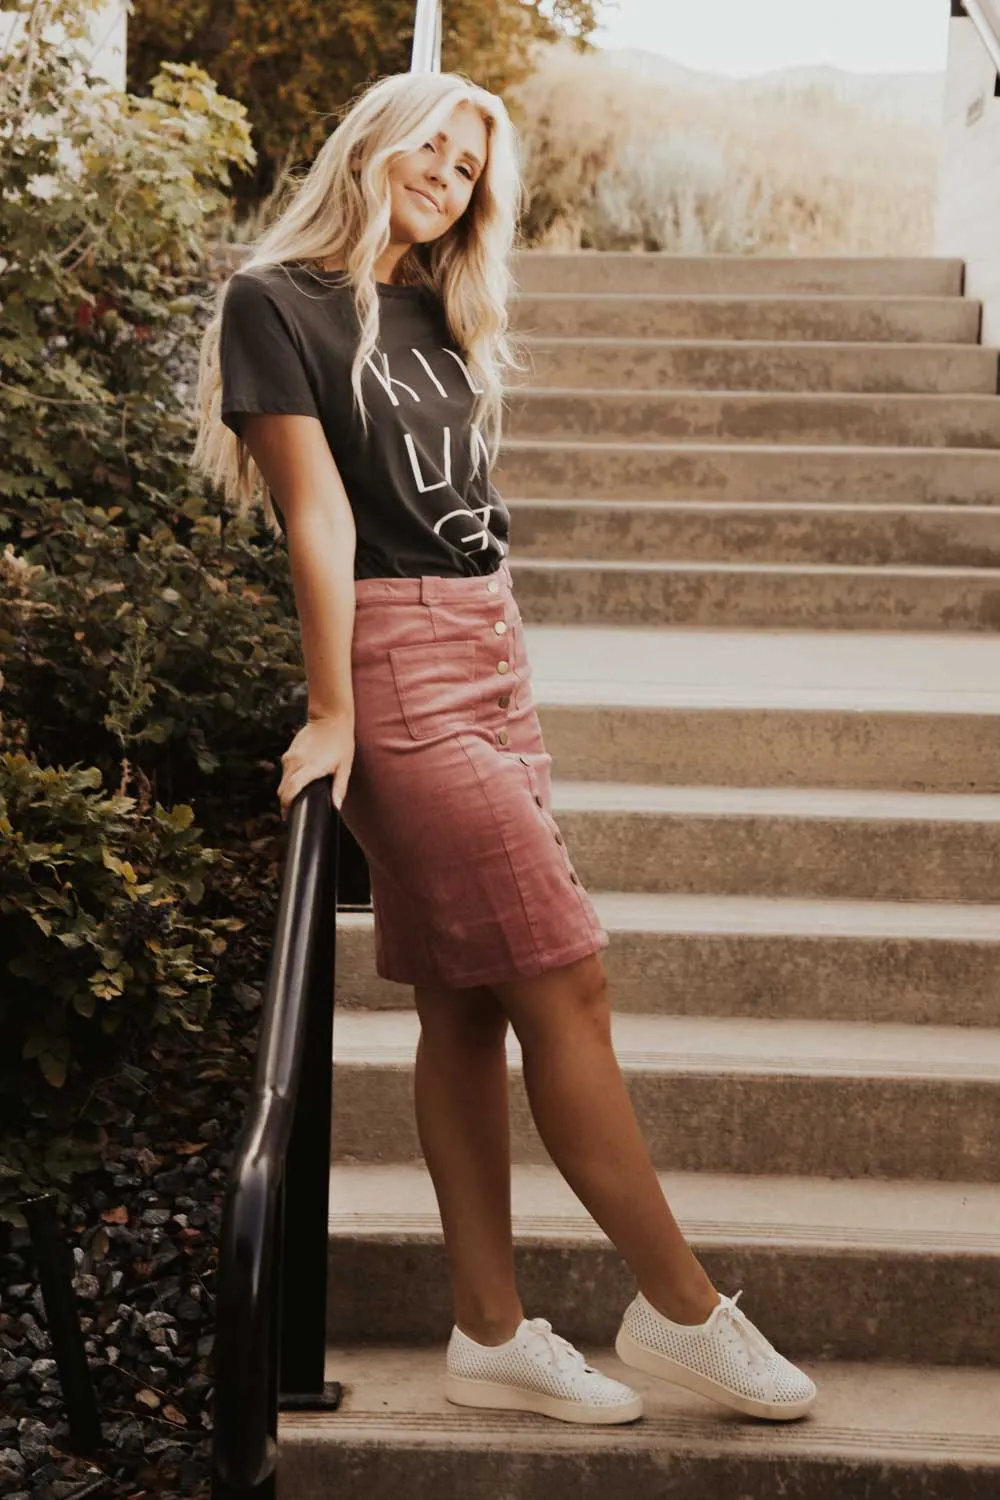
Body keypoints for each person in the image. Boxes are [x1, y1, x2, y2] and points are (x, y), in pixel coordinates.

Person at [192, 68, 817, 1428]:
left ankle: (488, 1330)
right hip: (400, 663)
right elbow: (320, 519)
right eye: (433, 142)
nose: (447, 174)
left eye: (471, 165)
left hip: (492, 649)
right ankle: (683, 1311)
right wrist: (334, 709)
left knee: (467, 1000)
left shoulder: (442, 309)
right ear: (375, 137)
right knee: (566, 977)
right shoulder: (275, 301)